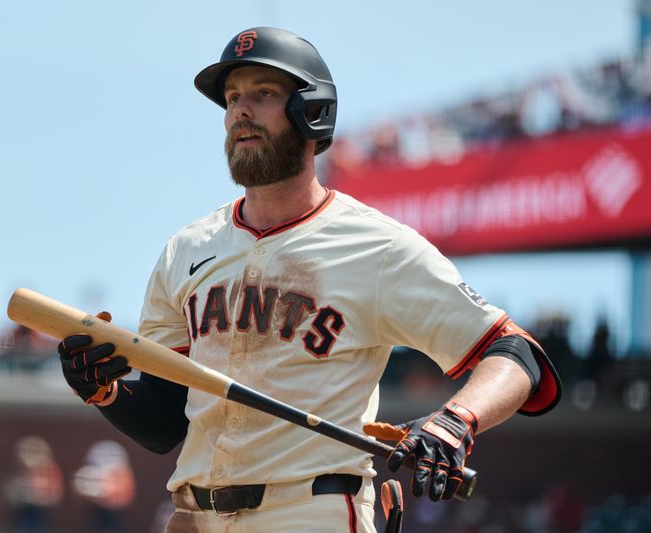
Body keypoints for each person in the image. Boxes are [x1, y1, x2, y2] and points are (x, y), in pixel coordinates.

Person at [57, 27, 561, 532]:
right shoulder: (186, 250)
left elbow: (516, 356)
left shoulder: (377, 246)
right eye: (232, 98)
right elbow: (167, 421)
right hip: (194, 517)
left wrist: (456, 422)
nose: (239, 111)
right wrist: (105, 391)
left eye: (263, 93)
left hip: (312, 511)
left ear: (313, 110)